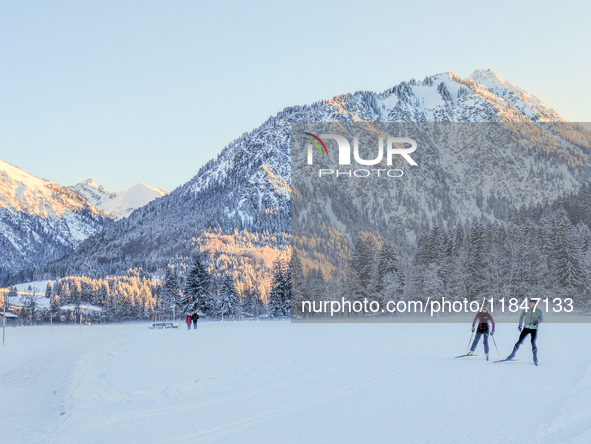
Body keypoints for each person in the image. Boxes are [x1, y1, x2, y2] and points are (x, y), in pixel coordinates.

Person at [506, 299, 543, 365]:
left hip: (534, 329)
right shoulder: (526, 310)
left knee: (533, 342)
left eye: (533, 303)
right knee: (520, 341)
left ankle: (535, 358)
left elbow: (541, 319)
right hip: (526, 328)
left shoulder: (538, 311)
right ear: (529, 303)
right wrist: (520, 325)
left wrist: (536, 322)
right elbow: (521, 317)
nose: (532, 305)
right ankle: (512, 355)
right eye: (531, 303)